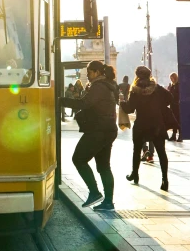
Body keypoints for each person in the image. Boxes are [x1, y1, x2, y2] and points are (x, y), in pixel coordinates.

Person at [61, 60, 118, 211]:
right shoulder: (109, 85)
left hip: (98, 130)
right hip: (108, 129)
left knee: (78, 159)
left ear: (97, 72)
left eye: (90, 73)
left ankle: (94, 192)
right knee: (104, 166)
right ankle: (108, 202)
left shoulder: (99, 87)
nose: (88, 76)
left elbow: (84, 103)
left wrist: (61, 100)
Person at [120, 65, 172, 191]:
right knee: (161, 152)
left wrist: (122, 102)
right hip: (157, 124)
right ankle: (165, 179)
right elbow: (170, 98)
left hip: (142, 124)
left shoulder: (135, 90)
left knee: (137, 150)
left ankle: (135, 174)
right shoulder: (157, 88)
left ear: (137, 76)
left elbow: (130, 109)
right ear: (149, 75)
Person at [167, 72, 182, 142]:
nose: (171, 80)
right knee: (174, 120)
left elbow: (177, 95)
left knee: (178, 120)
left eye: (172, 78)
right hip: (173, 105)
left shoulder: (178, 85)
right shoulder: (172, 85)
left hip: (177, 105)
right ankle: (174, 135)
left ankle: (181, 135)